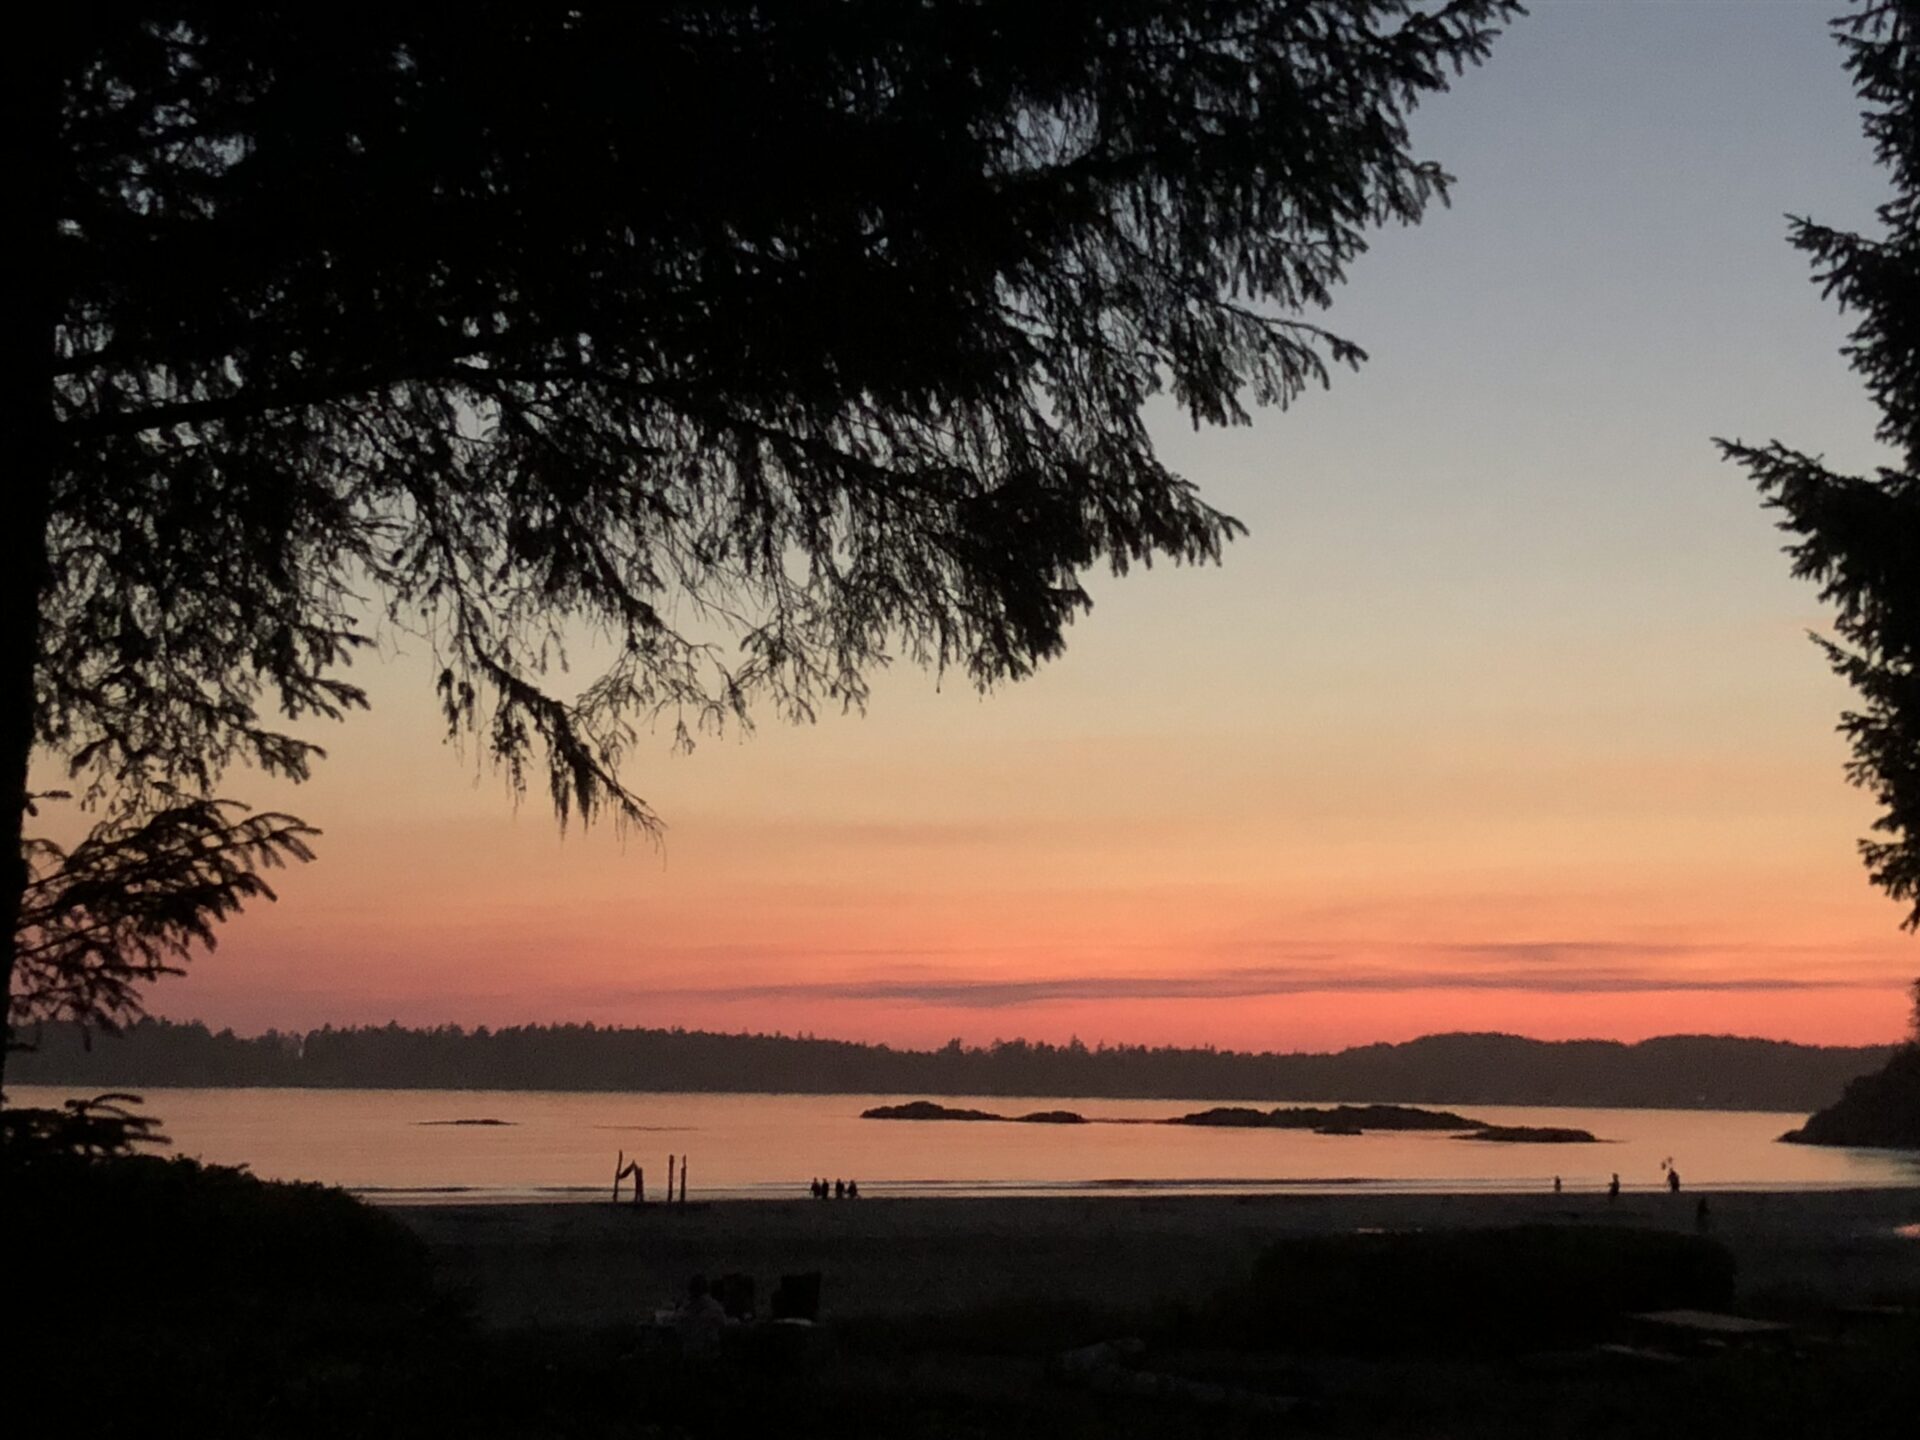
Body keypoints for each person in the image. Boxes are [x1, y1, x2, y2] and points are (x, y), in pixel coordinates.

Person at [676, 1274, 727, 1358]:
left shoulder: (686, 1310)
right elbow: (723, 1326)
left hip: (692, 1353)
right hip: (711, 1354)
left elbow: (679, 1330)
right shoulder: (715, 1307)